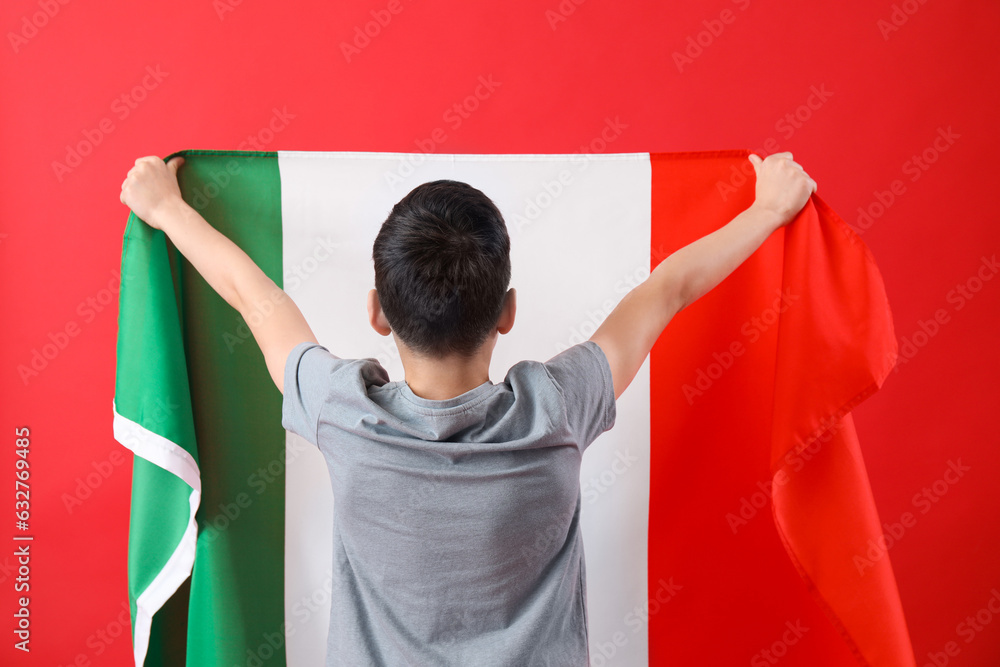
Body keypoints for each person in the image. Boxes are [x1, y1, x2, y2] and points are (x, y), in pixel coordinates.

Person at [120, 151, 815, 666]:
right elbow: (666, 290)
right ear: (507, 312)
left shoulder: (341, 412)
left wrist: (166, 209)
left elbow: (253, 296)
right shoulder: (558, 407)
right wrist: (768, 209)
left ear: (376, 313)